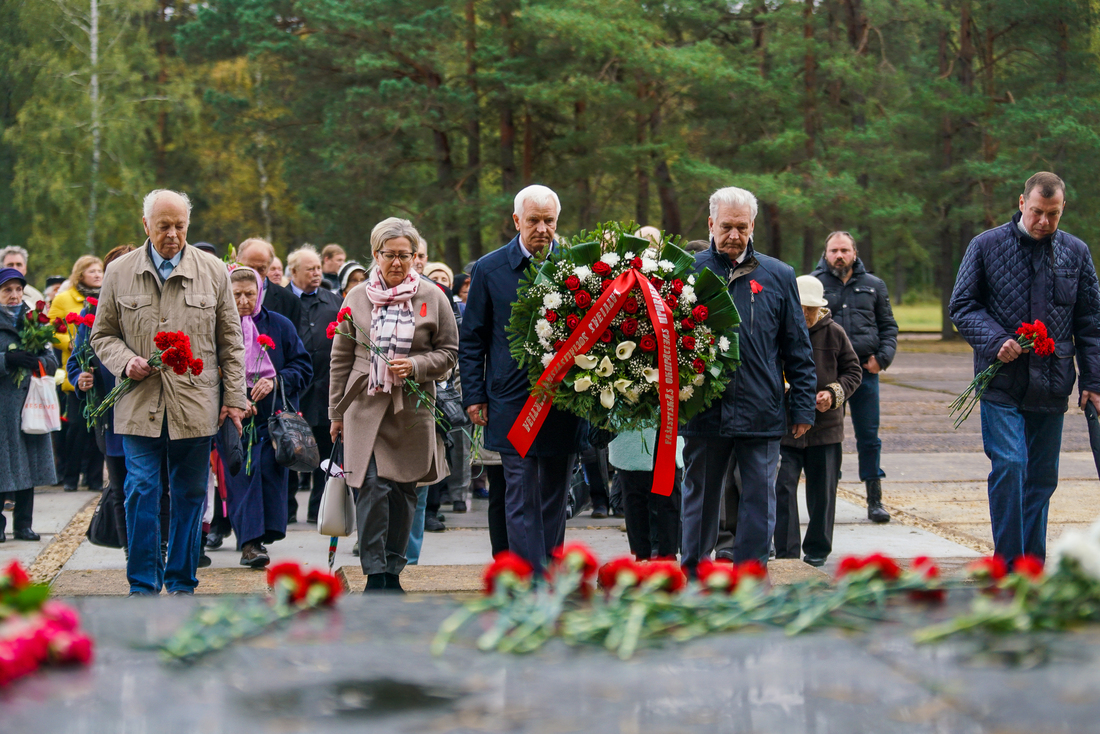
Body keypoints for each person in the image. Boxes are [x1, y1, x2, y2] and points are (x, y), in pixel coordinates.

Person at [90, 188, 249, 596]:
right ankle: (143, 584)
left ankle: (181, 581)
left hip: (195, 404)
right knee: (141, 489)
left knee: (190, 494)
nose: (173, 234)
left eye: (180, 226)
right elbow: (102, 335)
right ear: (146, 225)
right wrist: (126, 361)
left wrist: (234, 399)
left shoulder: (213, 270)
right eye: (164, 226)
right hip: (138, 402)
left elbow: (231, 342)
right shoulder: (119, 271)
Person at [950, 172, 1100, 563]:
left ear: (1062, 208)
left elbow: (1091, 323)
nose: (1044, 222)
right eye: (1036, 212)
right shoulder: (985, 246)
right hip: (1001, 382)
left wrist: (1094, 380)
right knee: (1012, 465)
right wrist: (995, 340)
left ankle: (1031, 566)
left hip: (1052, 385)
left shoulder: (1077, 253)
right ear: (1021, 203)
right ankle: (1008, 563)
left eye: (1053, 214)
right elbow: (962, 306)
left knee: (1041, 480)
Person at [679, 186, 817, 571]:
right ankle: (692, 571)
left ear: (753, 226)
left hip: (762, 410)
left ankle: (752, 576)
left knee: (759, 499)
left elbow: (797, 347)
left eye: (742, 227)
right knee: (700, 497)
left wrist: (802, 405)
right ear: (711, 224)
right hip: (704, 409)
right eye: (726, 226)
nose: (734, 235)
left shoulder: (778, 274)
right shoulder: (687, 273)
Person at [460, 185, 589, 572]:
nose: (542, 229)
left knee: (554, 493)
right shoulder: (489, 269)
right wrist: (474, 394)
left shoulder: (578, 267)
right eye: (533, 220)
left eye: (549, 221)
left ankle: (549, 570)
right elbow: (473, 338)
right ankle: (528, 576)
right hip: (512, 401)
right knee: (519, 492)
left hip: (565, 401)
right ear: (516, 221)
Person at [329, 218, 458, 592]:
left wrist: (417, 366)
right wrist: (335, 413)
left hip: (412, 410)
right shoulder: (355, 298)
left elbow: (449, 352)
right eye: (390, 255)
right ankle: (374, 572)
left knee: (403, 492)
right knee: (370, 487)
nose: (398, 263)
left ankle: (394, 571)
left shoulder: (433, 297)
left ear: (416, 256)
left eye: (406, 255)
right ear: (375, 255)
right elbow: (339, 359)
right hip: (364, 408)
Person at [219, 266, 312, 567]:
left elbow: (303, 367)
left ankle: (260, 533)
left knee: (269, 474)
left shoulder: (280, 325)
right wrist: (235, 398)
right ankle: (250, 543)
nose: (244, 300)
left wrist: (275, 381)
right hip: (231, 418)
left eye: (250, 293)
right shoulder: (217, 327)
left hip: (271, 420)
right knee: (243, 475)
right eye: (236, 295)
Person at [774, 276, 863, 566]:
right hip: (786, 427)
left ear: (820, 309)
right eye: (799, 308)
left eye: (809, 309)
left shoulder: (835, 333)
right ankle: (786, 552)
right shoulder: (778, 330)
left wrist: (832, 393)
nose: (804, 315)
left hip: (826, 429)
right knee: (783, 489)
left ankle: (817, 550)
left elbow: (853, 372)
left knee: (823, 493)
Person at [811, 231, 898, 523]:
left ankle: (874, 500)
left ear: (854, 253)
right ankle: (826, 499)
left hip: (864, 373)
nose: (839, 255)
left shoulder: (874, 286)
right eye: (834, 250)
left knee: (869, 436)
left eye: (844, 250)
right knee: (826, 437)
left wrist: (881, 359)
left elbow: (888, 327)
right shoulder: (813, 285)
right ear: (825, 254)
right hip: (827, 376)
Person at [68, 245, 136, 551]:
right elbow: (75, 361)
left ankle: (156, 547)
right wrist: (81, 378)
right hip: (109, 414)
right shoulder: (91, 313)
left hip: (147, 410)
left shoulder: (149, 306)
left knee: (152, 486)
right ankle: (129, 551)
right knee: (120, 487)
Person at [286, 245, 342, 523]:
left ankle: (318, 509)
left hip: (325, 390)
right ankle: (286, 510)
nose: (317, 273)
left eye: (319, 268)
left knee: (324, 451)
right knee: (289, 449)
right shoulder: (283, 300)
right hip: (293, 391)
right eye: (310, 269)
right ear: (293, 272)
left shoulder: (333, 300)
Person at [0, 268, 56, 542]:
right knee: (3, 464)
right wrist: (6, 360)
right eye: (7, 290)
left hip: (29, 404)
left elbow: (52, 360)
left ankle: (24, 524)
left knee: (27, 464)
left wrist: (39, 363)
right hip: (2, 407)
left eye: (18, 290)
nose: (14, 295)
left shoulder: (33, 321)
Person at [48, 255, 105, 493]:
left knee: (97, 430)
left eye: (100, 271)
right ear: (80, 274)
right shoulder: (64, 298)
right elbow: (51, 329)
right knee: (77, 428)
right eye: (91, 271)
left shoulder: (106, 296)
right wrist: (69, 343)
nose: (97, 275)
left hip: (100, 370)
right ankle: (70, 476)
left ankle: (93, 478)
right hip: (76, 373)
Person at [609, 429, 684, 560]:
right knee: (634, 494)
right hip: (629, 428)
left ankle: (668, 556)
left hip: (669, 425)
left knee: (669, 493)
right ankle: (641, 556)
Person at [236, 238, 302, 329]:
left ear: (268, 266)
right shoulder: (222, 296)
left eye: (261, 269)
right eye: (250, 268)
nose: (255, 274)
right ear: (237, 261)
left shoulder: (290, 302)